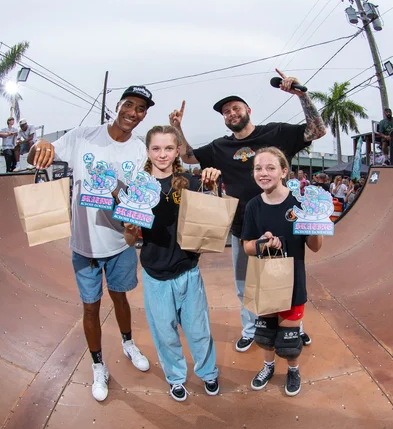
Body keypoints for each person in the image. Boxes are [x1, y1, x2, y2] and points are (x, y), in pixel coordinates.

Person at [169, 69, 326, 352]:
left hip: (285, 221)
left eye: (235, 108)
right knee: (245, 282)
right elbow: (188, 156)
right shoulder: (220, 146)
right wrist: (178, 128)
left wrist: (302, 95)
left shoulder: (276, 132)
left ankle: (293, 327)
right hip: (243, 227)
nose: (231, 113)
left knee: (288, 278)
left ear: (248, 110)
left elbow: (317, 130)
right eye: (226, 112)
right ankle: (251, 328)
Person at [28, 85, 156, 402]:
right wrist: (38, 144)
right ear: (118, 105)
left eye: (141, 109)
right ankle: (98, 365)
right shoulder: (83, 136)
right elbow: (40, 154)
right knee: (91, 306)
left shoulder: (140, 150)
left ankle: (127, 343)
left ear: (143, 116)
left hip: (120, 243)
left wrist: (130, 211)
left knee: (121, 298)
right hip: (84, 245)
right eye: (129, 104)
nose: (133, 112)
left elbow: (140, 195)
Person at [124, 125, 220, 402]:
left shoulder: (188, 182)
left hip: (188, 271)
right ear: (148, 151)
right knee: (165, 334)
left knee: (198, 330)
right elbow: (130, 239)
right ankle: (176, 378)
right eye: (156, 148)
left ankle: (208, 371)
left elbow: (209, 221)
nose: (162, 154)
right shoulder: (137, 187)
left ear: (178, 150)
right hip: (155, 275)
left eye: (168, 148)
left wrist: (211, 189)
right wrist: (130, 228)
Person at [241, 147, 323, 396]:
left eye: (270, 168)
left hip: (293, 282)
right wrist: (263, 243)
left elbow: (315, 247)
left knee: (289, 340)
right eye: (258, 168)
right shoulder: (253, 206)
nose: (263, 173)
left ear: (284, 171)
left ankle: (293, 369)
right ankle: (267, 367)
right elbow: (247, 247)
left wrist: (313, 222)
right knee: (265, 335)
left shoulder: (299, 203)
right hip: (265, 281)